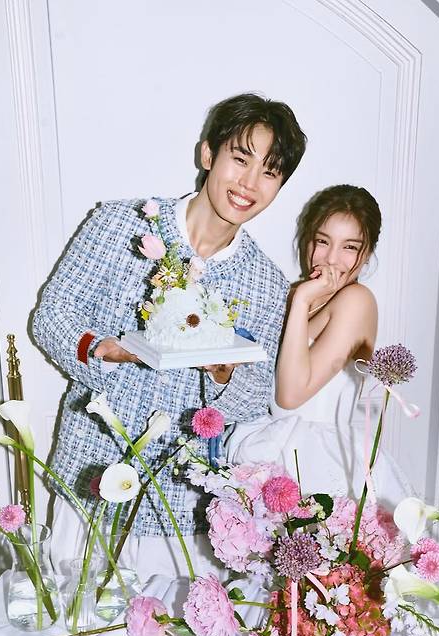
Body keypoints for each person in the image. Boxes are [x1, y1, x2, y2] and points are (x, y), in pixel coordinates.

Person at [32, 93, 307, 577]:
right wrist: (100, 351)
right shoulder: (121, 223)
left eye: (269, 172)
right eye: (240, 159)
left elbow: (254, 399)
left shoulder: (266, 285)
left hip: (179, 508)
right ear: (208, 154)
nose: (249, 183)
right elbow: (52, 315)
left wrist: (224, 376)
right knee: (75, 615)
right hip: (89, 477)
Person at [225, 184, 412, 509]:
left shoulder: (356, 301)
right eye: (323, 241)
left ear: (367, 253)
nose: (331, 259)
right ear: (308, 240)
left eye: (350, 247)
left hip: (320, 460)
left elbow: (290, 397)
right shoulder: (301, 295)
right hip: (270, 443)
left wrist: (301, 300)